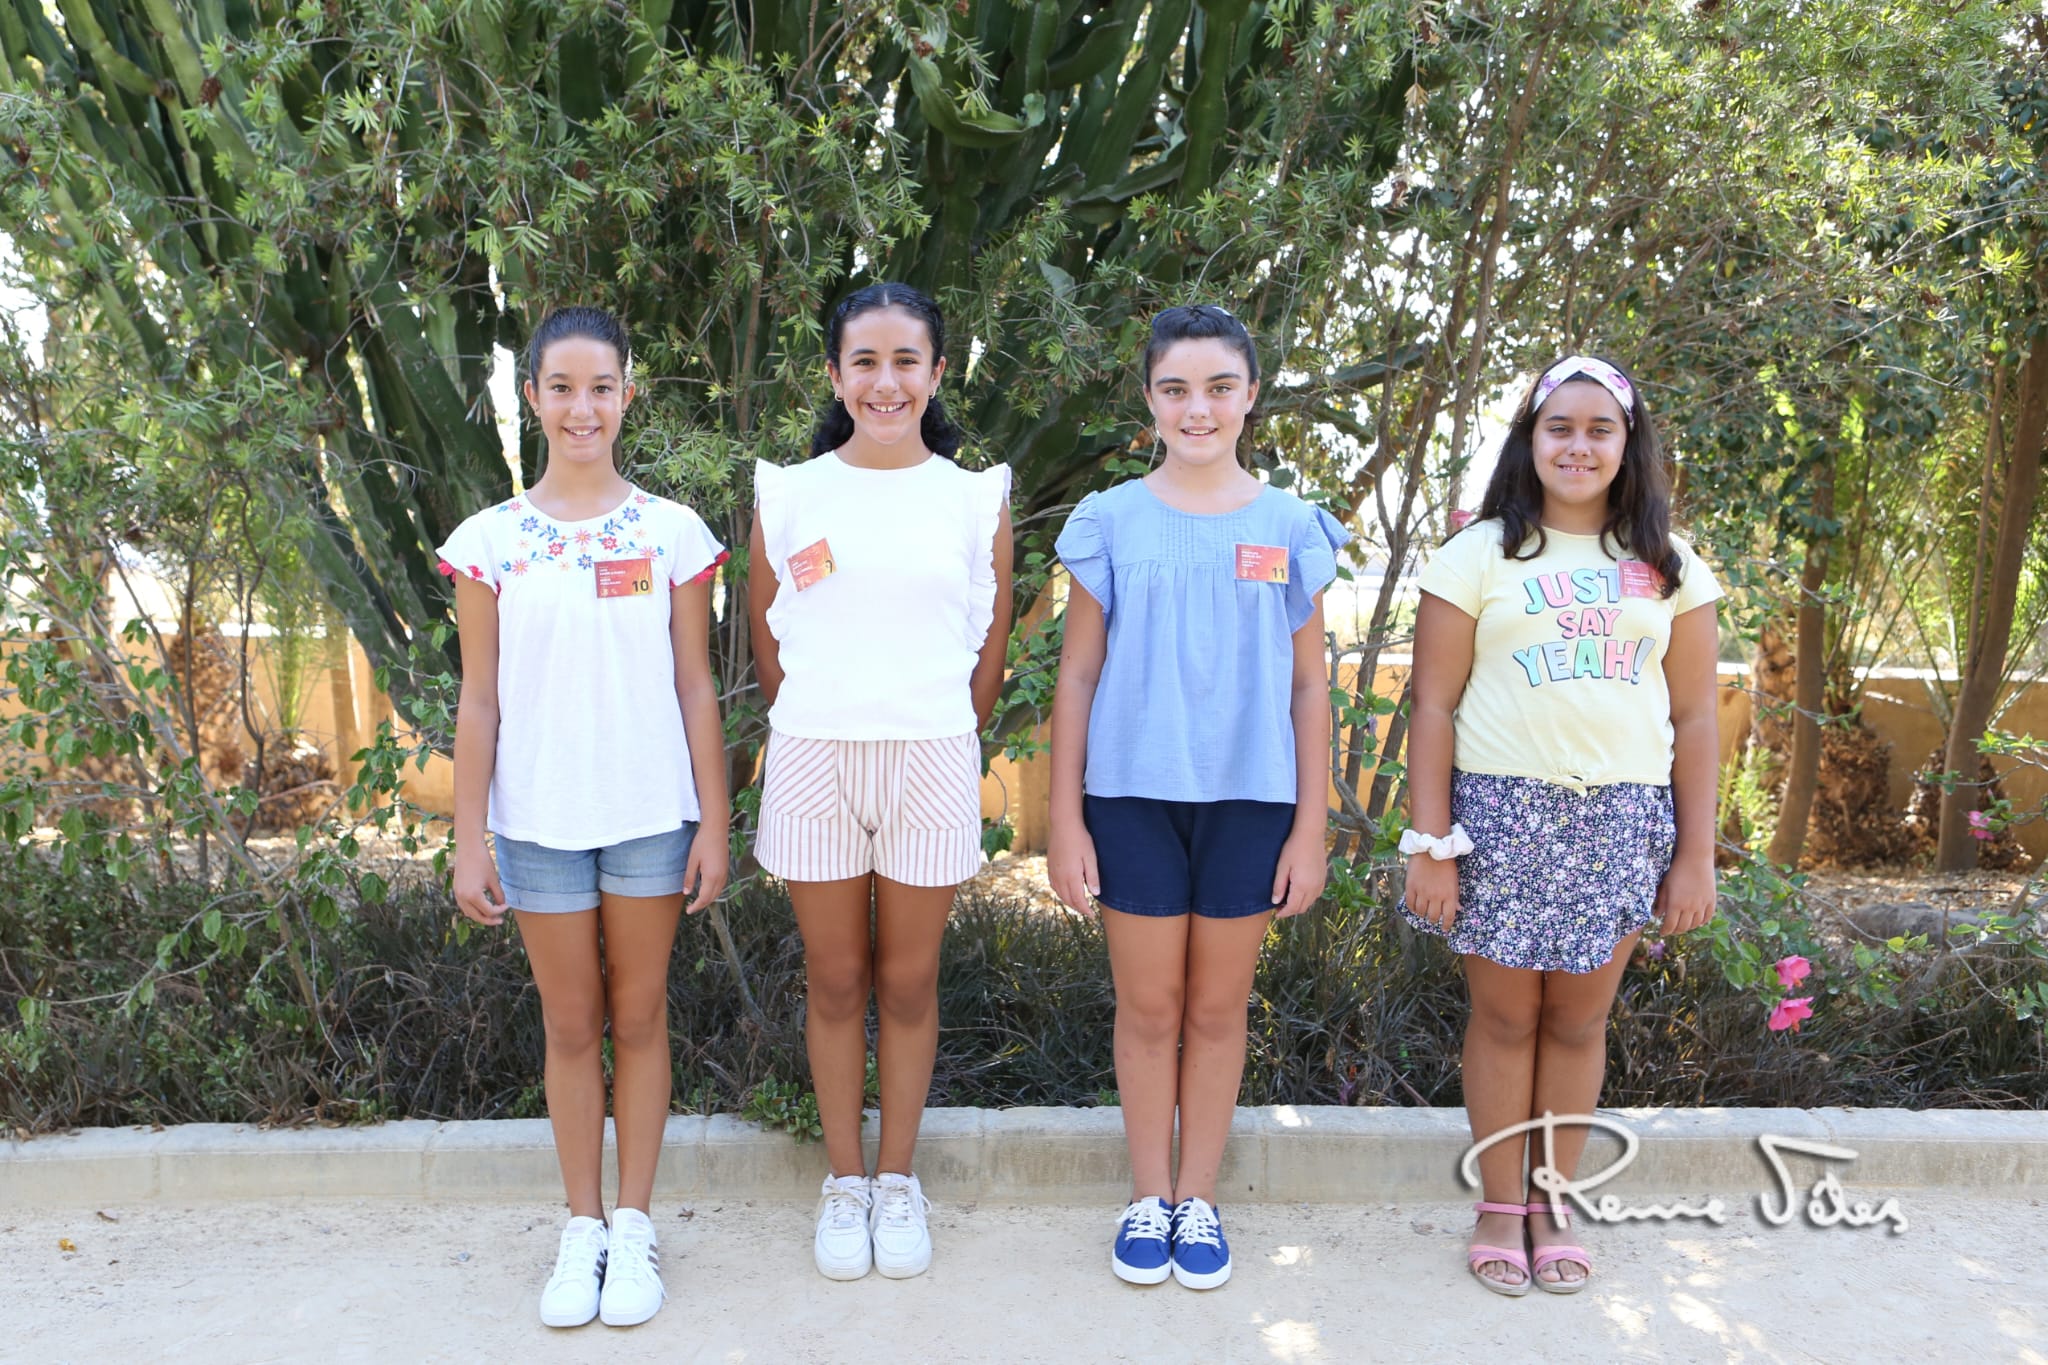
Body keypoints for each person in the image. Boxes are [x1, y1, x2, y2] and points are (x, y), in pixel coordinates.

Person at [1399, 354, 1722, 1296]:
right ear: (1530, 440)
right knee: (1505, 1018)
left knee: (1580, 1023)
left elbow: (1697, 717)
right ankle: (1500, 1205)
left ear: (1628, 444)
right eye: (1560, 428)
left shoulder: (1669, 566)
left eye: (1599, 430)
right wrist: (1432, 843)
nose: (1578, 446)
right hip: (1501, 816)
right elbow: (1432, 705)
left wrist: (1695, 855)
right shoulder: (1478, 555)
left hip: (1620, 819)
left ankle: (1554, 1203)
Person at [1046, 304, 1349, 1290]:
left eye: (1219, 387)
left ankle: (1199, 1199)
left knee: (1217, 1010)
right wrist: (1063, 820)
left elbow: (1309, 687)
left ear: (1250, 395)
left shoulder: (1289, 526)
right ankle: (1148, 1196)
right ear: (1149, 399)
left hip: (1251, 803)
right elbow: (1078, 676)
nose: (1197, 408)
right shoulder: (1110, 521)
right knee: (1147, 1008)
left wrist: (1310, 828)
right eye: (1175, 389)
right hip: (1129, 798)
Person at [442, 306, 731, 1328]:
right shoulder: (488, 543)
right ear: (531, 396)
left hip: (650, 815)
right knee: (571, 1025)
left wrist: (713, 822)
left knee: (640, 1016)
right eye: (561, 387)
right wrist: (468, 838)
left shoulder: (671, 533)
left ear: (626, 395)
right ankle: (583, 1228)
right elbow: (480, 699)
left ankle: (636, 1224)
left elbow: (695, 686)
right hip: (537, 823)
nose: (581, 407)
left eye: (600, 387)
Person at [746, 283, 1014, 1280]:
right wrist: (827, 714)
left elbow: (986, 644)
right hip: (815, 754)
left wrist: (933, 725)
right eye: (864, 361)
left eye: (906, 361)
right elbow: (772, 640)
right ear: (834, 374)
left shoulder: (974, 497)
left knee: (906, 982)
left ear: (937, 373)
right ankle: (844, 1182)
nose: (885, 381)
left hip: (931, 757)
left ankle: (897, 1181)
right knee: (833, 980)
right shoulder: (788, 493)